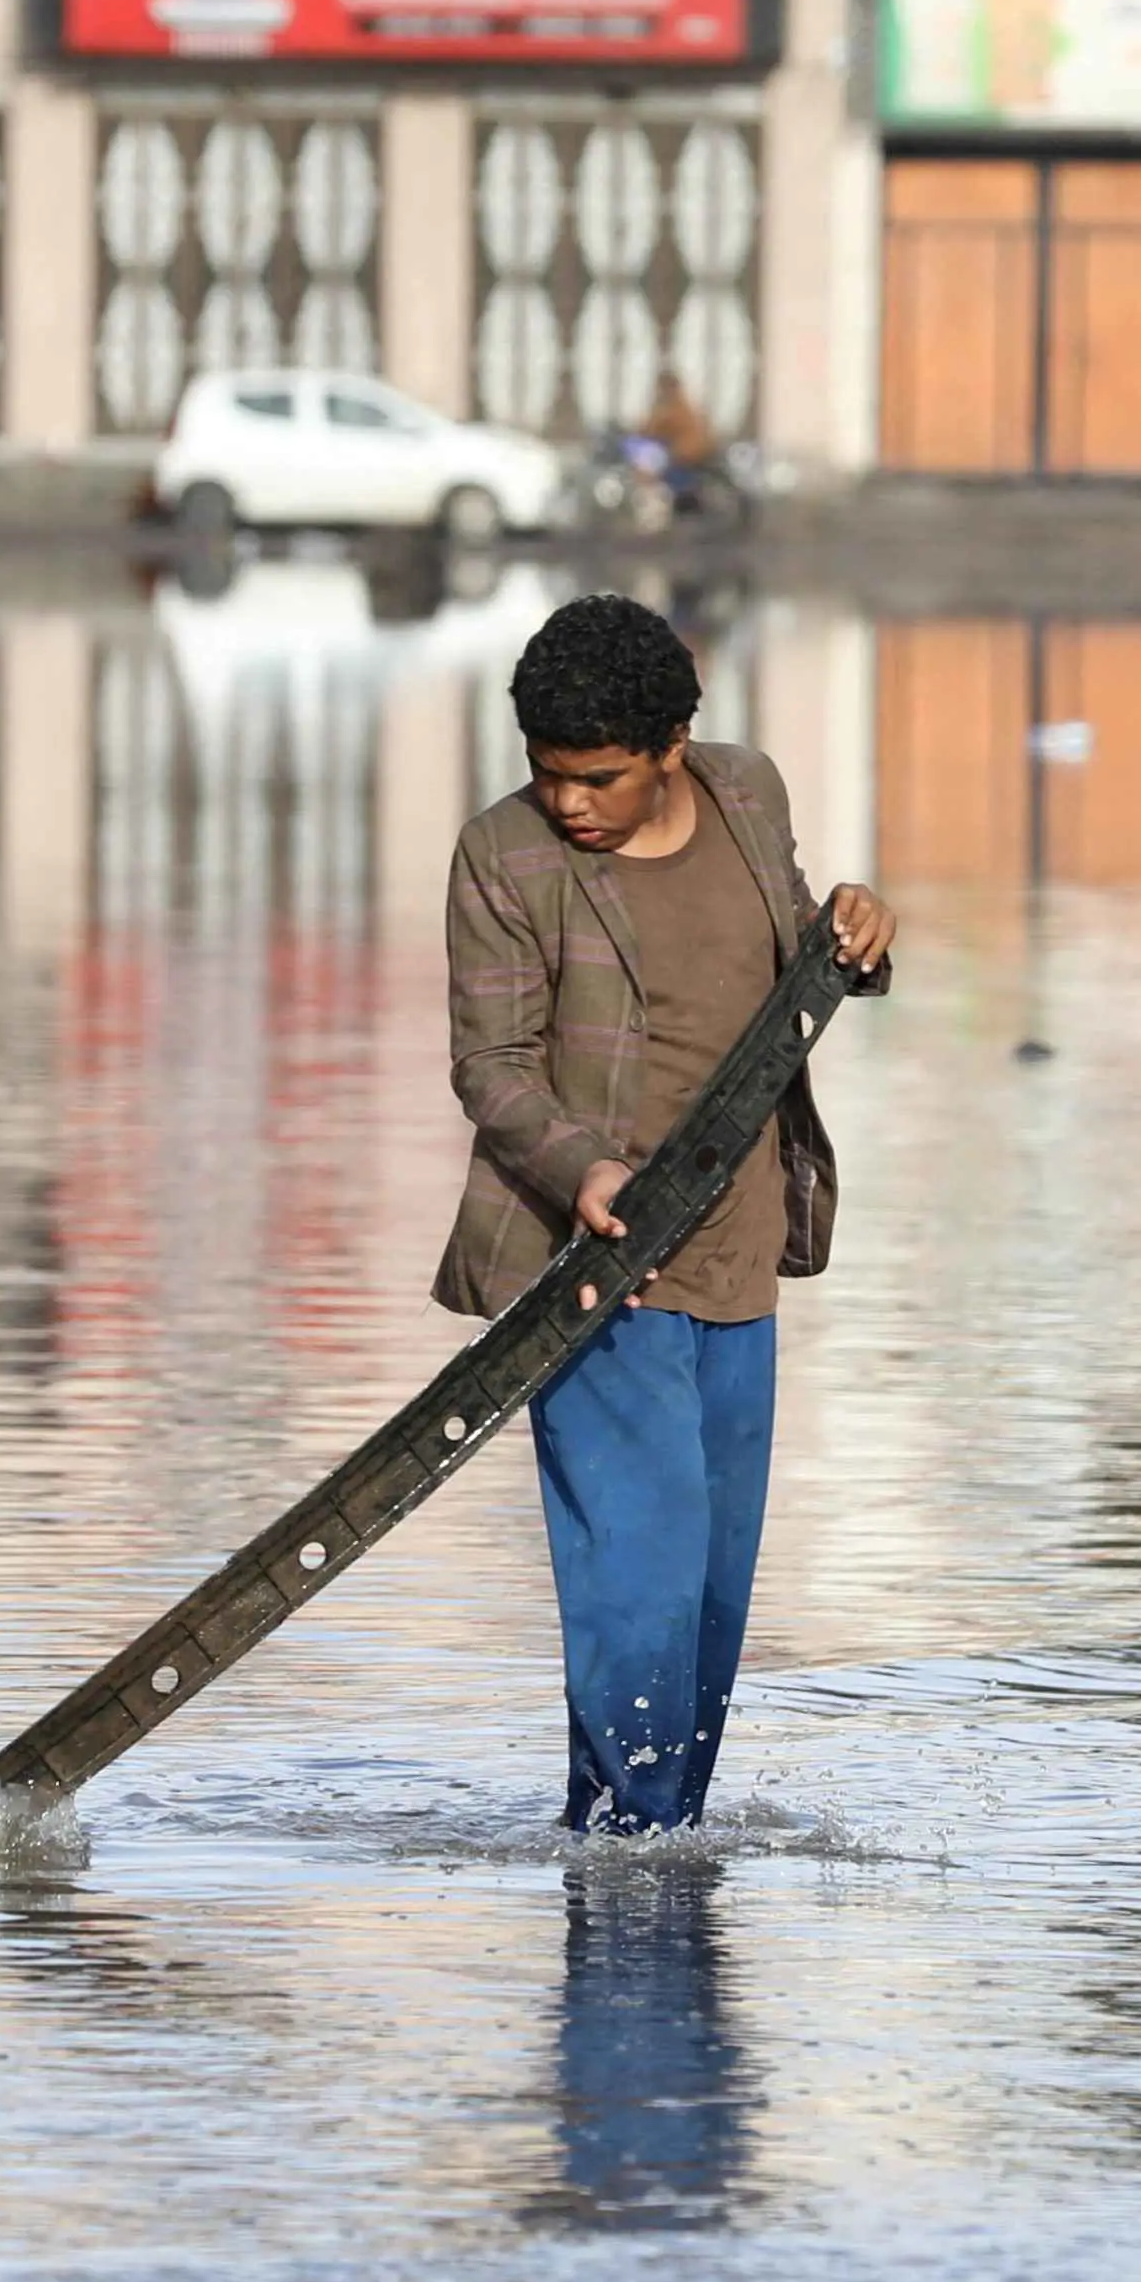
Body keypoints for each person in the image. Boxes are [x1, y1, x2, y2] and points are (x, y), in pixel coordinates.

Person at [438, 594, 897, 1834]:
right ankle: (641, 1857)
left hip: (742, 1258)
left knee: (707, 1603)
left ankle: (636, 1842)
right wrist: (583, 1166)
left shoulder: (749, 793)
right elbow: (490, 1064)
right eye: (548, 777)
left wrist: (851, 928)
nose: (570, 803)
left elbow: (789, 953)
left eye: (598, 777)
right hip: (595, 1277)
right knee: (633, 1588)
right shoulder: (503, 857)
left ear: (675, 744)